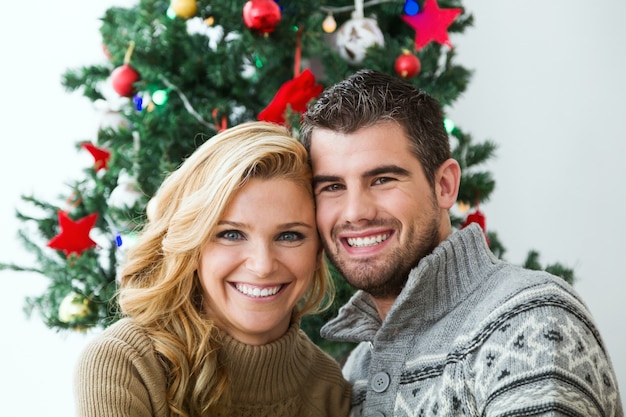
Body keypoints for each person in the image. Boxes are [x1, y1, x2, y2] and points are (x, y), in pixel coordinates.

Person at [300, 69, 623, 417]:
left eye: (382, 179)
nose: (355, 212)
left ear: (445, 186)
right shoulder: (356, 372)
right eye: (332, 187)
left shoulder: (530, 321)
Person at [74, 121, 352, 417]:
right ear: (193, 245)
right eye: (231, 234)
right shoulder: (127, 361)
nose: (262, 266)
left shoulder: (330, 389)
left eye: (289, 236)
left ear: (319, 248)